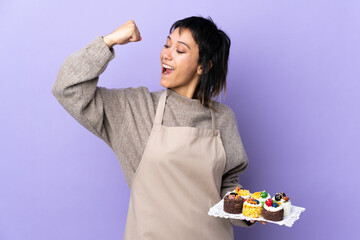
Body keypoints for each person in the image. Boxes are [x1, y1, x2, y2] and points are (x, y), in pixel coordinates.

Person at [52, 16, 261, 240]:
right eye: (166, 44)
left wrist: (252, 209)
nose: (166, 54)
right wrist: (108, 42)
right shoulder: (134, 109)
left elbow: (226, 186)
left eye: (180, 50)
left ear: (203, 65)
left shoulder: (222, 118)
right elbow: (67, 88)